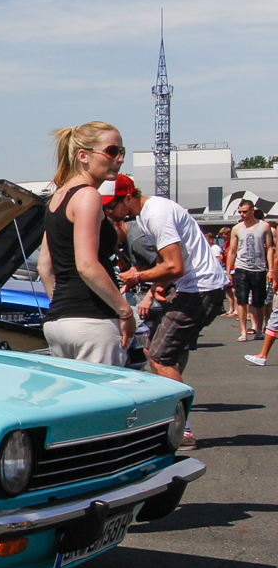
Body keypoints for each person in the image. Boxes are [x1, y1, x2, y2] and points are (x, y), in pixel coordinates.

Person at [109, 176, 230, 450]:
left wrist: (138, 277)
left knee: (159, 356)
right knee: (160, 352)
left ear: (128, 197)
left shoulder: (156, 215)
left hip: (199, 289)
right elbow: (168, 263)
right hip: (194, 287)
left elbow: (174, 266)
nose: (108, 212)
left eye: (111, 206)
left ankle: (182, 431)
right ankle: (170, 414)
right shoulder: (147, 215)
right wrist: (158, 285)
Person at [35, 122, 136, 365]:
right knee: (103, 389)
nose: (120, 159)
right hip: (93, 322)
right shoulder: (88, 195)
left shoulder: (57, 198)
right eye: (112, 151)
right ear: (83, 156)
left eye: (121, 151)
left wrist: (63, 305)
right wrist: (125, 311)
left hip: (59, 323)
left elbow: (44, 266)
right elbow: (87, 265)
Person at [225, 199, 272, 342]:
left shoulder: (264, 226)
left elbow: (269, 248)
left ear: (252, 210)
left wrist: (271, 270)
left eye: (245, 212)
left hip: (259, 268)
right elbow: (232, 251)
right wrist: (228, 271)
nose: (242, 214)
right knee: (241, 300)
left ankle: (259, 330)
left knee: (259, 301)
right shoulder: (237, 228)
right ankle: (243, 331)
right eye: (240, 212)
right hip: (241, 268)